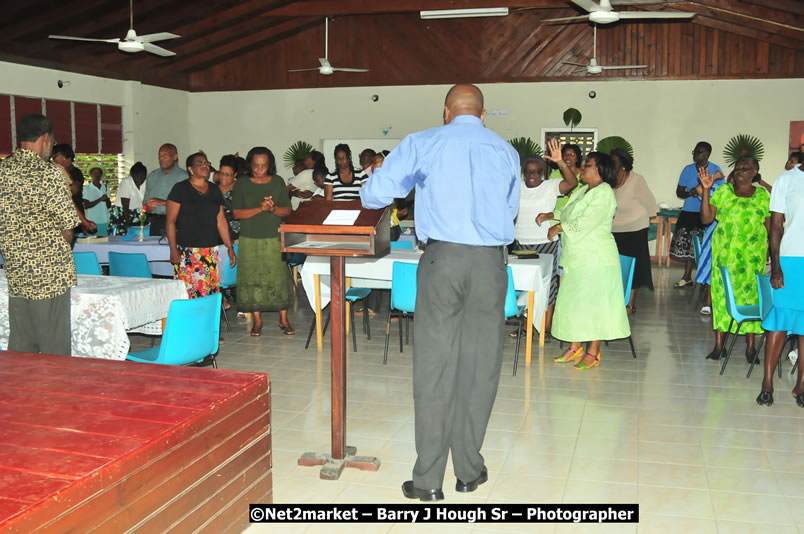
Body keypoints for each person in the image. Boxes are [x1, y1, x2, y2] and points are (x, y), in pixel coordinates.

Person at [360, 84, 520, 502]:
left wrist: (383, 171)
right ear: (483, 115)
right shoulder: (505, 151)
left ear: (446, 111)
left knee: (434, 368)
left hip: (442, 260)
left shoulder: (423, 142)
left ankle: (428, 480)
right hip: (489, 263)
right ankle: (469, 470)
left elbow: (375, 194)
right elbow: (510, 207)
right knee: (480, 366)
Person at [540, 152, 630, 370]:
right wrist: (551, 215)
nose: (583, 168)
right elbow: (569, 211)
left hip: (596, 259)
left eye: (587, 165)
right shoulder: (583, 190)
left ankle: (594, 352)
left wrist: (559, 227)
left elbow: (587, 221)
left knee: (594, 305)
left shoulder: (604, 192)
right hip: (577, 258)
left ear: (599, 169)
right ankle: (575, 347)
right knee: (575, 304)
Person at [0, 114, 79, 355]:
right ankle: (55, 392)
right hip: (49, 274)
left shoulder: (2, 170)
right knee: (54, 346)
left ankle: (20, 392)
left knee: (22, 345)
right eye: (53, 143)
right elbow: (68, 225)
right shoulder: (49, 173)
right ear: (45, 139)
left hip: (16, 270)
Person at [699, 156, 770, 361]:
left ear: (755, 172)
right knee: (722, 299)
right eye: (737, 168)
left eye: (745, 168)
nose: (740, 171)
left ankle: (750, 347)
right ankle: (719, 346)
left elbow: (769, 225)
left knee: (751, 299)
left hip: (752, 260)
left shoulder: (762, 196)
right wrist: (706, 190)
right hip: (725, 258)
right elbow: (706, 219)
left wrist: (771, 252)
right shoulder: (724, 192)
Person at [512, 140, 577, 336]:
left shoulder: (551, 186)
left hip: (545, 244)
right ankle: (526, 326)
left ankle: (545, 327)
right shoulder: (517, 187)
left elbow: (572, 183)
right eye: (529, 172)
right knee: (523, 285)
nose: (532, 176)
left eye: (536, 172)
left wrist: (561, 162)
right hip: (520, 243)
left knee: (547, 286)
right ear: (524, 172)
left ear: (543, 172)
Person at [756, 160, 804, 407]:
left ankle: (801, 385)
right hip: (791, 259)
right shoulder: (786, 180)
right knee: (780, 322)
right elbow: (775, 226)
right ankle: (767, 383)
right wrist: (776, 266)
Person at [232, 147, 293, 336]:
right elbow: (236, 213)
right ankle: (257, 321)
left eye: (264, 166)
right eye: (256, 166)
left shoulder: (277, 182)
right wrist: (260, 208)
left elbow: (288, 211)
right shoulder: (241, 183)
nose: (259, 170)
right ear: (250, 165)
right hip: (249, 238)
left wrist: (273, 208)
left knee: (278, 278)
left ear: (270, 165)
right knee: (252, 279)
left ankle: (283, 319)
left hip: (273, 236)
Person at [166, 153, 236, 299]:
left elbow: (221, 221)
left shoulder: (214, 190)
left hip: (209, 252)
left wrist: (229, 247)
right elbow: (170, 221)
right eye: (200, 163)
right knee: (189, 295)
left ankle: (207, 322)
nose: (205, 165)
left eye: (206, 162)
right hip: (188, 252)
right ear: (190, 169)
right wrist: (173, 249)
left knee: (208, 294)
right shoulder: (180, 189)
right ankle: (189, 322)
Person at [610, 148, 658, 315]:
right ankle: (615, 299)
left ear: (623, 166)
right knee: (615, 266)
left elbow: (651, 204)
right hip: (614, 229)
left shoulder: (636, 180)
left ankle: (629, 304)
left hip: (635, 228)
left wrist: (649, 219)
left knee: (633, 268)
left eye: (614, 161)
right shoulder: (608, 179)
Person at [670, 141, 722, 287]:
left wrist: (704, 191)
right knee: (688, 245)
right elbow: (679, 192)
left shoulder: (716, 170)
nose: (695, 155)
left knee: (702, 246)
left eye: (699, 152)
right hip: (689, 212)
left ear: (707, 154)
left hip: (707, 213)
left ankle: (703, 277)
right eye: (694, 152)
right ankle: (687, 276)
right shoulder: (687, 169)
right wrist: (691, 193)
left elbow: (720, 192)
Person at [693, 170, 727, 316]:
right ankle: (708, 303)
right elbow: (699, 189)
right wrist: (713, 178)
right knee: (710, 267)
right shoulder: (719, 192)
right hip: (713, 233)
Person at [142, 143, 189, 236]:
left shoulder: (184, 177)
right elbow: (144, 204)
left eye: (165, 155)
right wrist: (147, 208)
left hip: (177, 222)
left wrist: (162, 202)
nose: (161, 158)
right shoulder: (152, 176)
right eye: (160, 156)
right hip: (156, 222)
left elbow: (188, 204)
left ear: (175, 157)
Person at [51, 143, 96, 235]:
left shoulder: (75, 172)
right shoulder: (52, 171)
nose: (54, 159)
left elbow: (74, 190)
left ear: (66, 158)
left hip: (75, 216)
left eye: (56, 156)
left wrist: (64, 171)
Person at [549, 143, 583, 212]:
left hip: (576, 212)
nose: (568, 157)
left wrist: (574, 196)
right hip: (557, 213)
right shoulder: (555, 174)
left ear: (577, 158)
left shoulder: (583, 174)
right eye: (565, 154)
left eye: (572, 154)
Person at [114, 161, 147, 228]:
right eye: (139, 177)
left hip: (137, 214)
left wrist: (144, 214)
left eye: (143, 177)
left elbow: (145, 201)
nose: (141, 180)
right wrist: (127, 222)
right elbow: (125, 205)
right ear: (132, 175)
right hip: (124, 214)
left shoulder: (145, 183)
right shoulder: (126, 182)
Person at [82, 165, 111, 235]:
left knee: (104, 242)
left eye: (98, 173)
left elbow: (109, 205)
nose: (96, 175)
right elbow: (86, 205)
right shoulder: (86, 189)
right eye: (94, 173)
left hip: (104, 220)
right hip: (92, 221)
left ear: (101, 175)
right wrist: (100, 199)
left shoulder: (106, 187)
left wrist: (107, 200)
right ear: (91, 175)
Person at [218, 155, 240, 241]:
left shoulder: (241, 189)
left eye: (228, 175)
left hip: (236, 237)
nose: (223, 177)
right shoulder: (212, 189)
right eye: (221, 173)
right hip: (215, 237)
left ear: (235, 174)